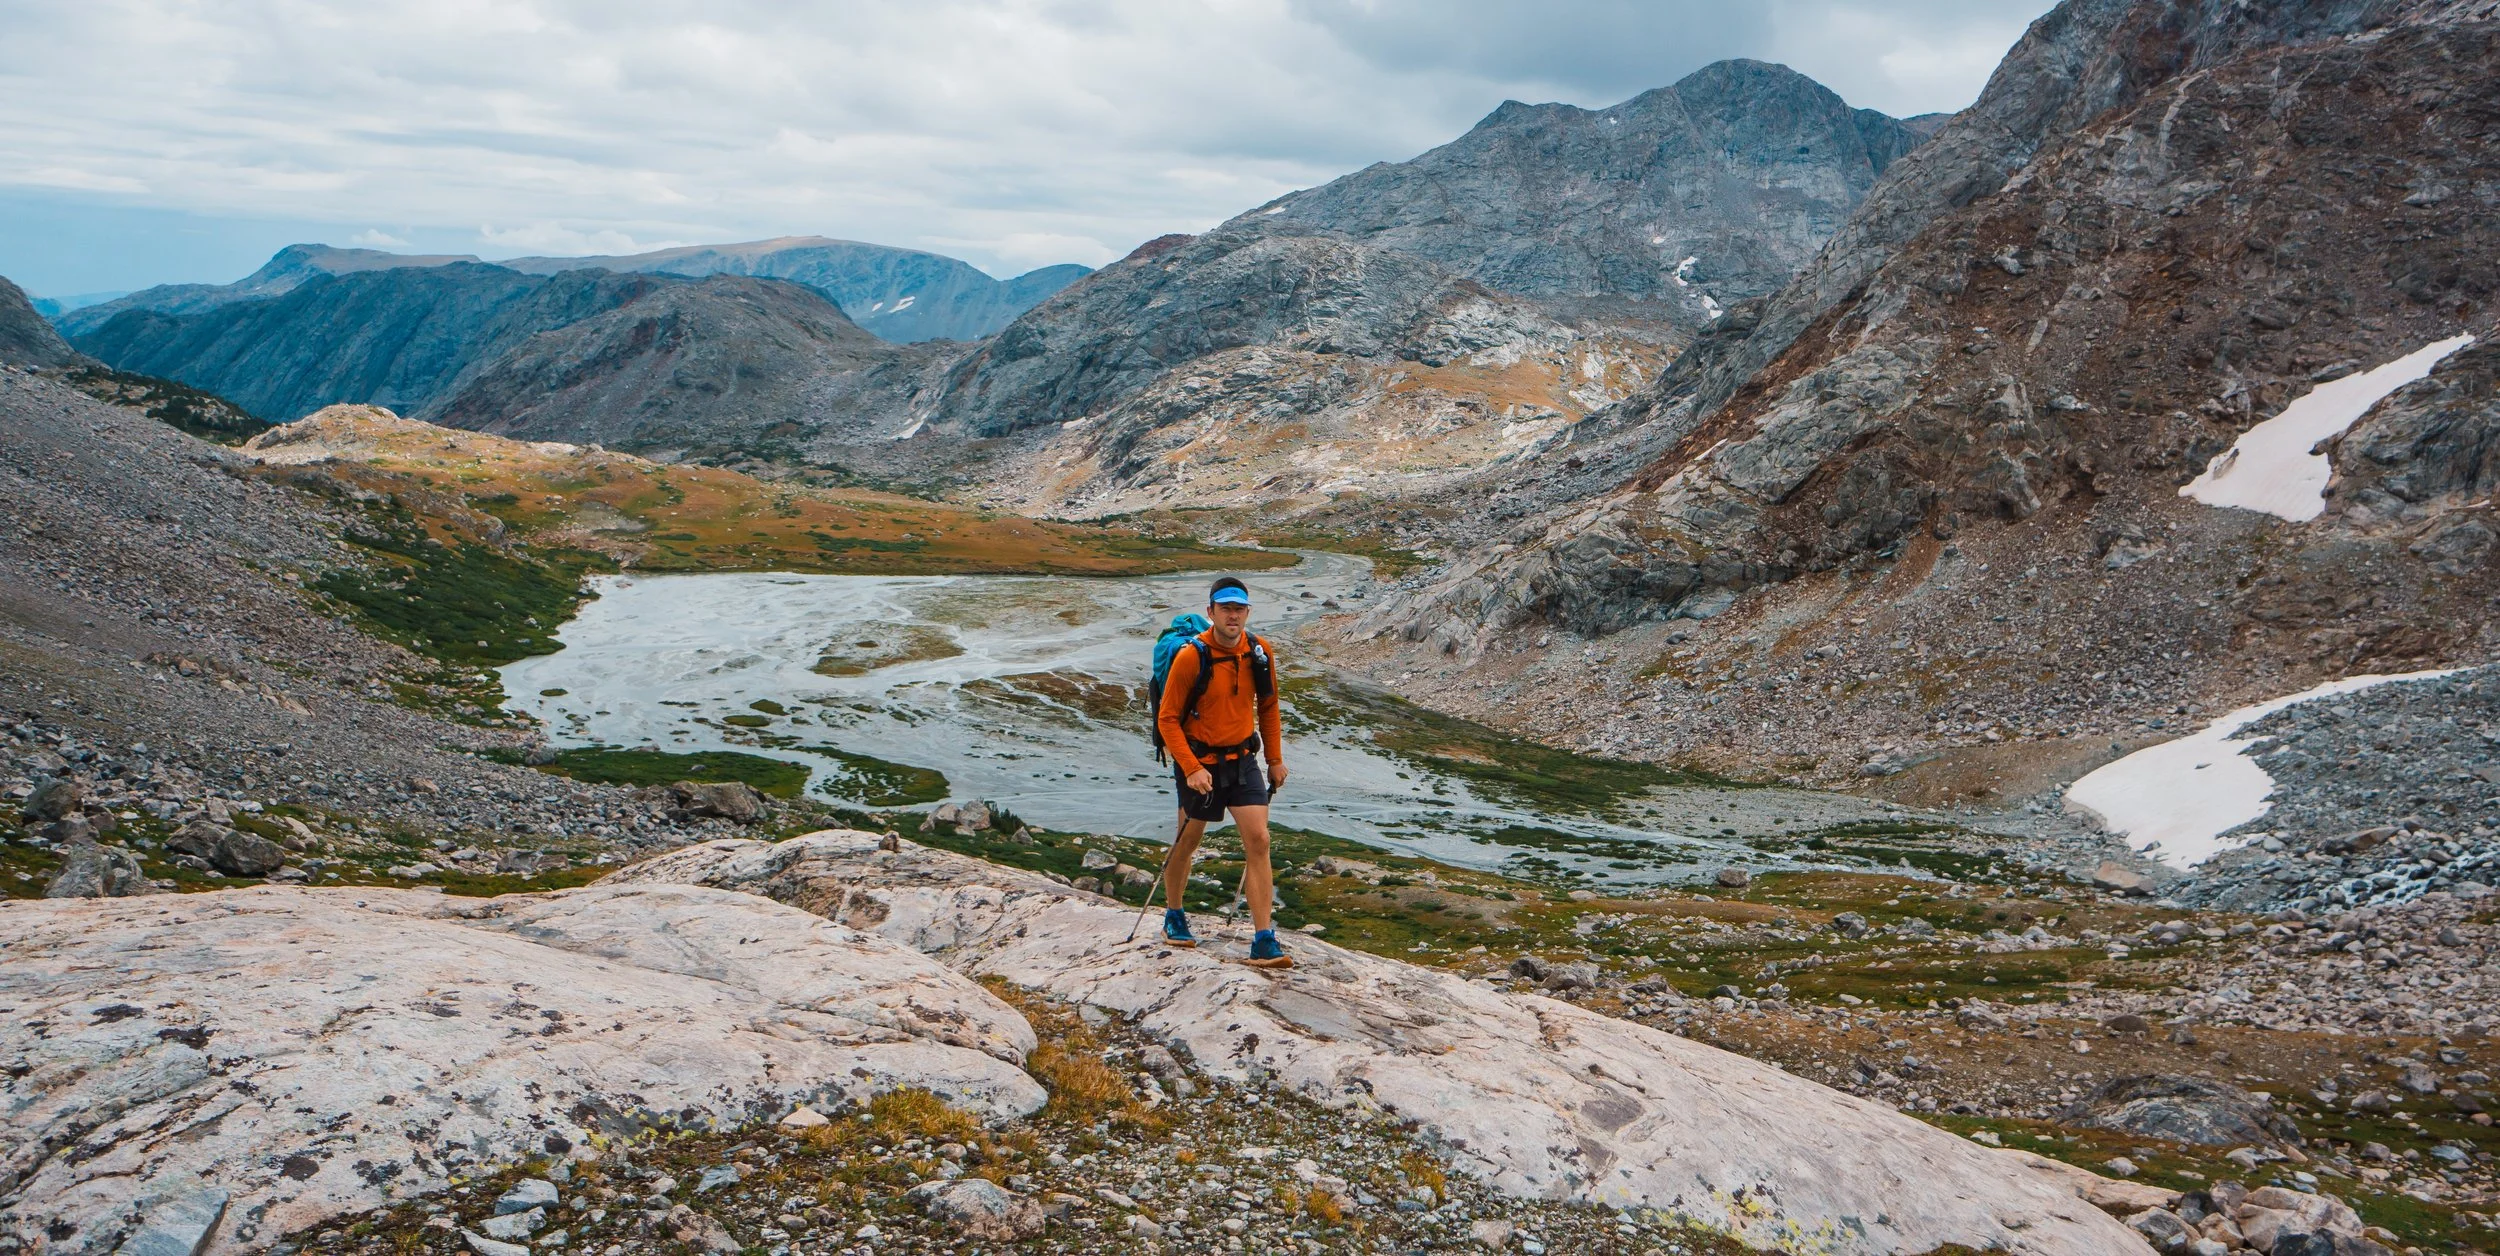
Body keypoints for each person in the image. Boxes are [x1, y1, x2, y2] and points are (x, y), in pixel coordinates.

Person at [1155, 576, 1291, 968]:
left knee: (1260, 840)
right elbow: (1167, 720)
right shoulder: (1191, 657)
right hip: (1200, 762)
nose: (1233, 615)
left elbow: (1268, 706)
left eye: (1239, 608)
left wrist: (1275, 759)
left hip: (1243, 759)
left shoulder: (1260, 652)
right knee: (1188, 839)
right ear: (1210, 611)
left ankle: (1264, 939)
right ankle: (1174, 914)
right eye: (1225, 608)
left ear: (1247, 612)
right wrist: (1191, 768)